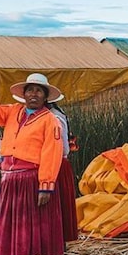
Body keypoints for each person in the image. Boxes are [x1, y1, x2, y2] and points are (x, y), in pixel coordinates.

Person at [0, 68, 65, 255]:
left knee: (29, 224)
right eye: (30, 90)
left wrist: (46, 185)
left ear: (45, 97)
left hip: (31, 178)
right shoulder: (13, 111)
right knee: (10, 222)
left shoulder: (49, 120)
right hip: (9, 177)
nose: (33, 94)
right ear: (23, 94)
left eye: (38, 91)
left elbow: (52, 153)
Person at [47, 95, 79, 244]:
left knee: (56, 206)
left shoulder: (54, 117)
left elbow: (63, 148)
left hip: (56, 165)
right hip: (49, 165)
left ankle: (57, 243)